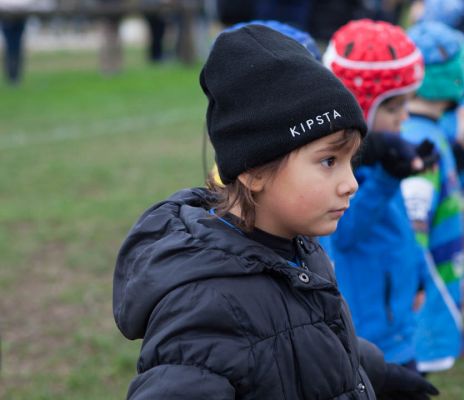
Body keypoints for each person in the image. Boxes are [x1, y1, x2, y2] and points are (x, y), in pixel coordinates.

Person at [113, 24, 439, 399]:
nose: (351, 183)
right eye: (329, 160)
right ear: (253, 171)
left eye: (352, 161)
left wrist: (373, 372)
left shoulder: (297, 247)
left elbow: (305, 334)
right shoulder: (205, 308)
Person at [322, 19, 438, 372]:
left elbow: (398, 226)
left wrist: (418, 273)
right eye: (392, 108)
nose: (404, 116)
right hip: (369, 337)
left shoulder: (385, 156)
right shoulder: (339, 171)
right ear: (360, 106)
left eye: (406, 104)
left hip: (398, 323)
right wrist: (387, 178)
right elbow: (345, 234)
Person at [400, 20, 464, 372]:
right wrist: (417, 282)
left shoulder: (430, 133)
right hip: (424, 294)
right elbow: (414, 219)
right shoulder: (423, 143)